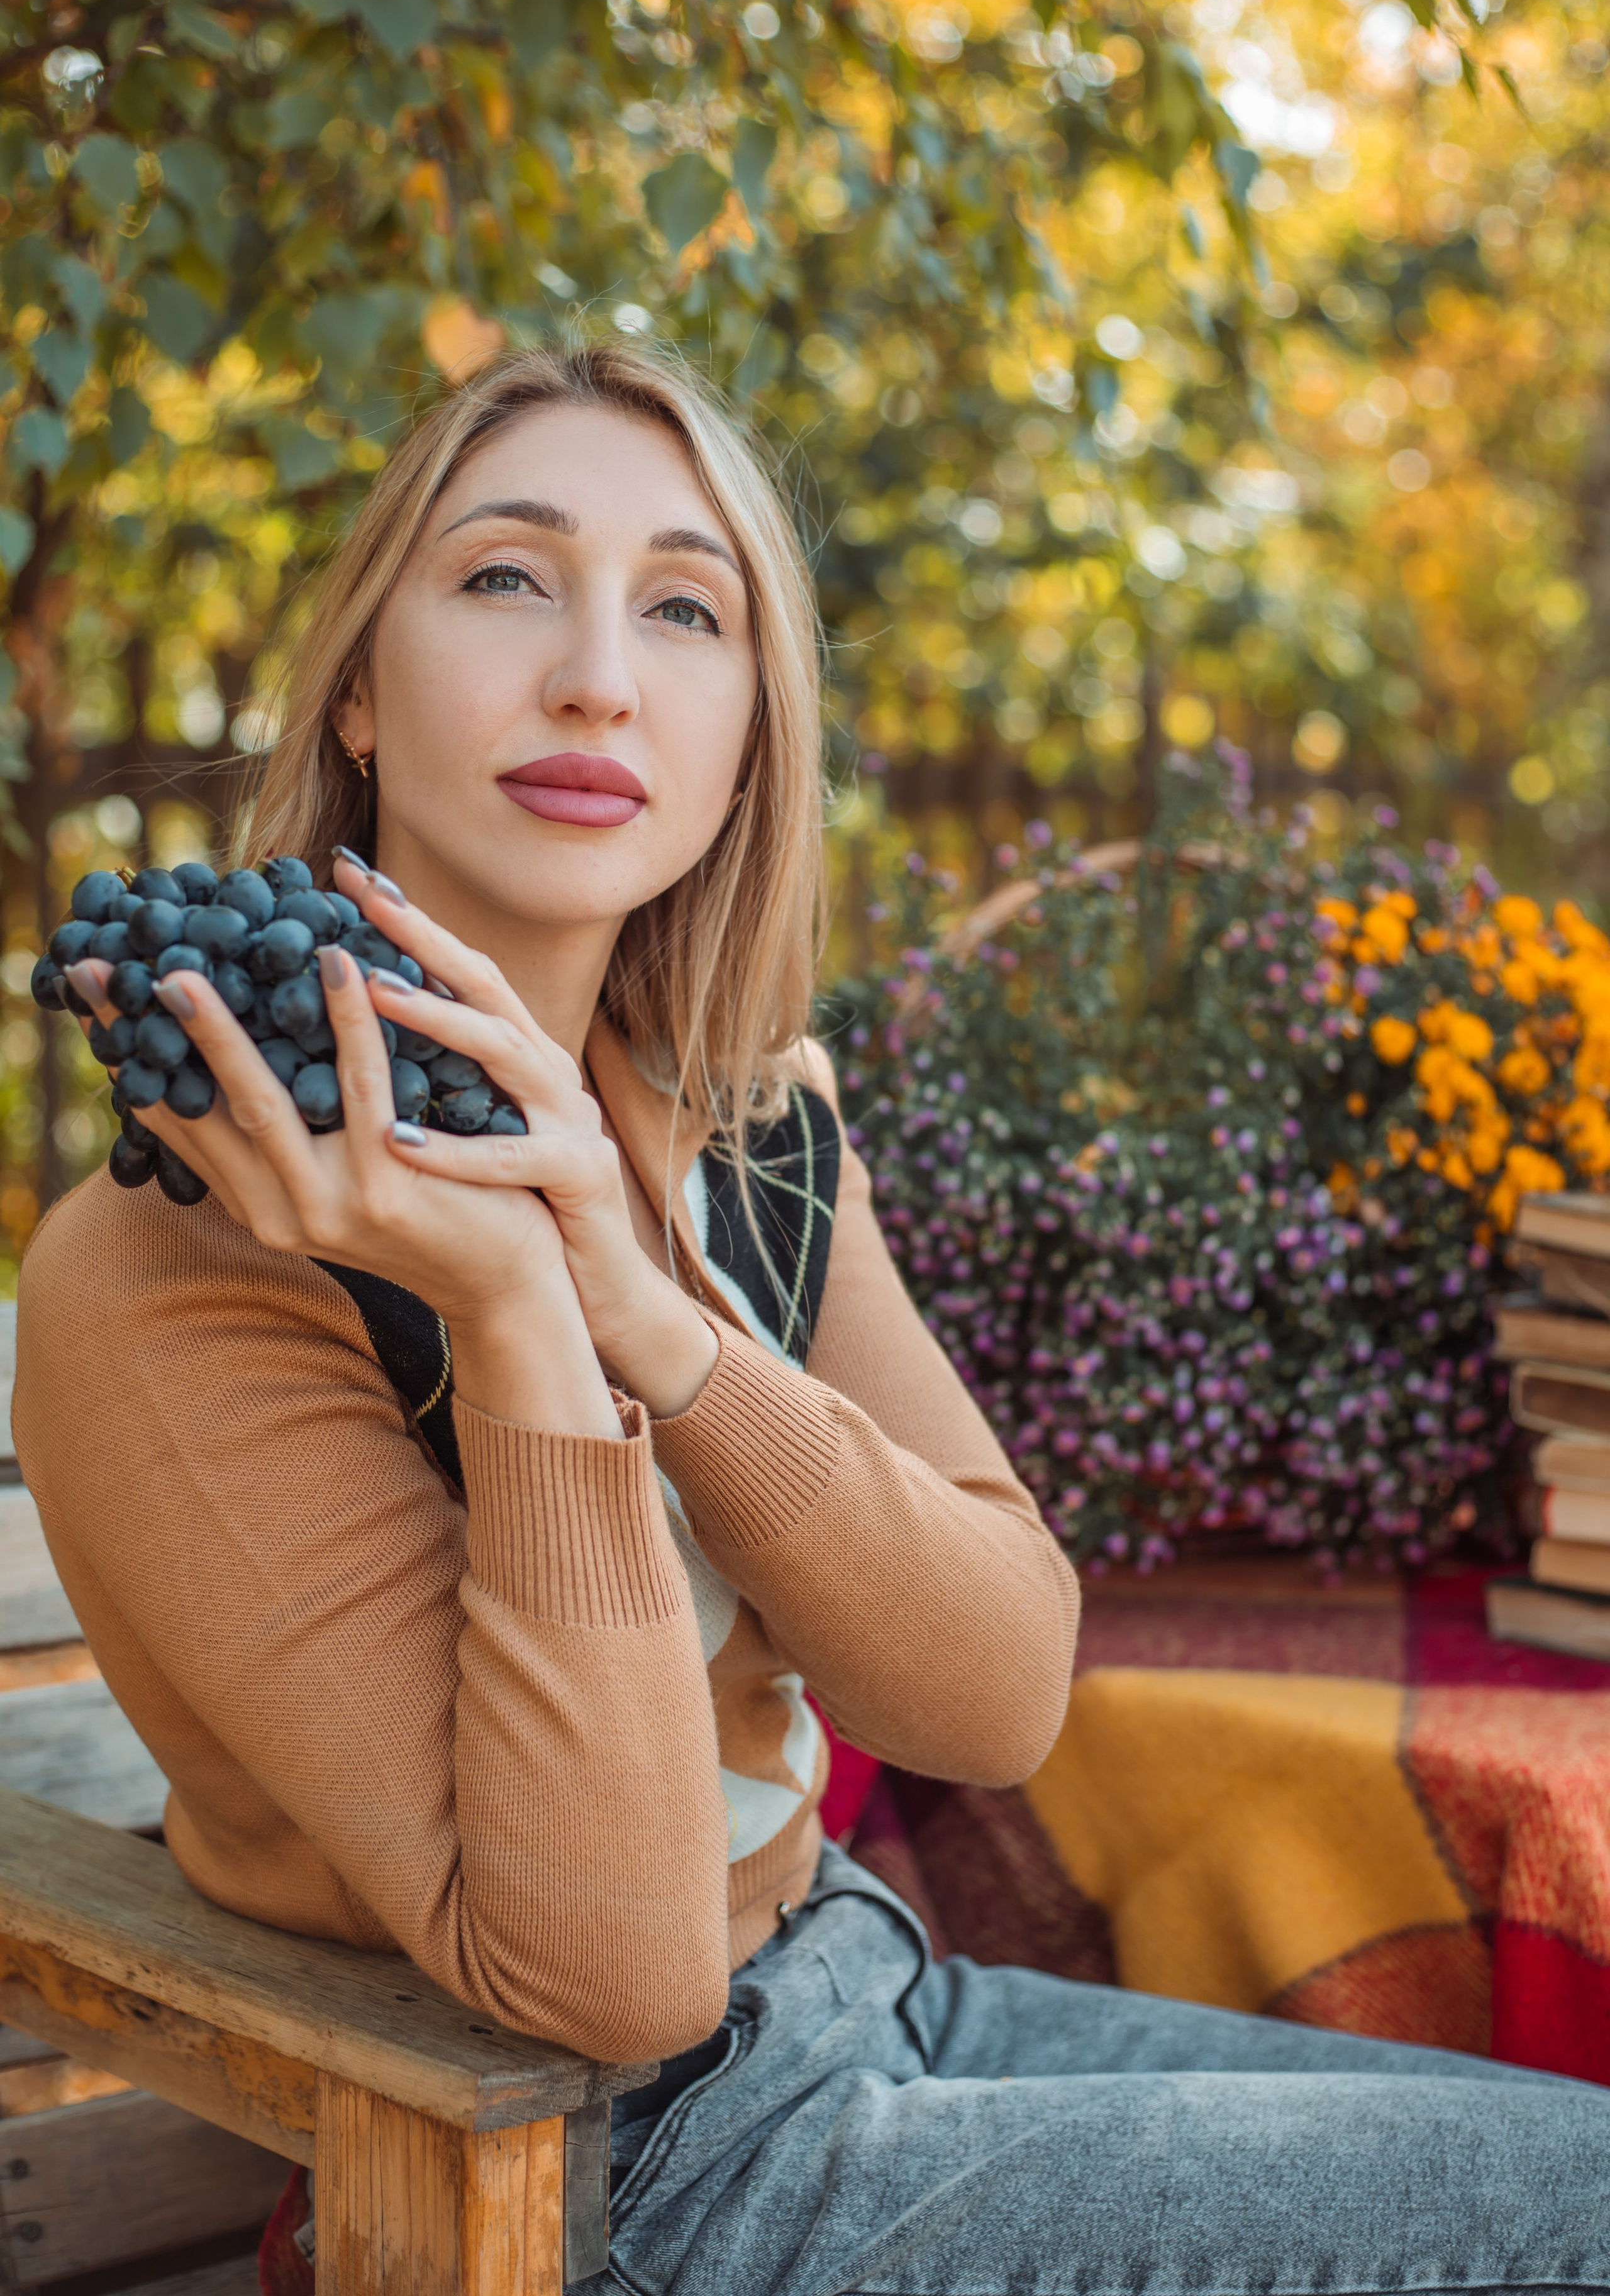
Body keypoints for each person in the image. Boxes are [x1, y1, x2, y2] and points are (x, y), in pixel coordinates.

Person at [14, 343, 1609, 2296]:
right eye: (508, 576)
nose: (599, 673)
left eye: (688, 608)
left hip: (877, 1998)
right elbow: (606, 1979)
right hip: (600, 2183)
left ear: (752, 730)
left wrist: (656, 1320)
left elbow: (997, 1689)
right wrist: (521, 1319)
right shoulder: (183, 1258)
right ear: (359, 683)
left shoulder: (747, 1122)